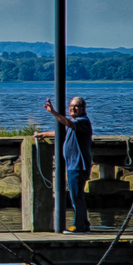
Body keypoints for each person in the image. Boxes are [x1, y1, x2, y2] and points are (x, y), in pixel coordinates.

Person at [44, 95, 94, 232]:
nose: (73, 108)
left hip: (78, 165)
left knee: (76, 196)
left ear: (83, 108)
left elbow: (68, 124)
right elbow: (64, 131)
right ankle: (84, 224)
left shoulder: (82, 121)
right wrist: (44, 134)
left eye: (76, 106)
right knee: (76, 195)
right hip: (72, 165)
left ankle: (79, 226)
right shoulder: (74, 122)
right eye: (71, 106)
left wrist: (53, 112)